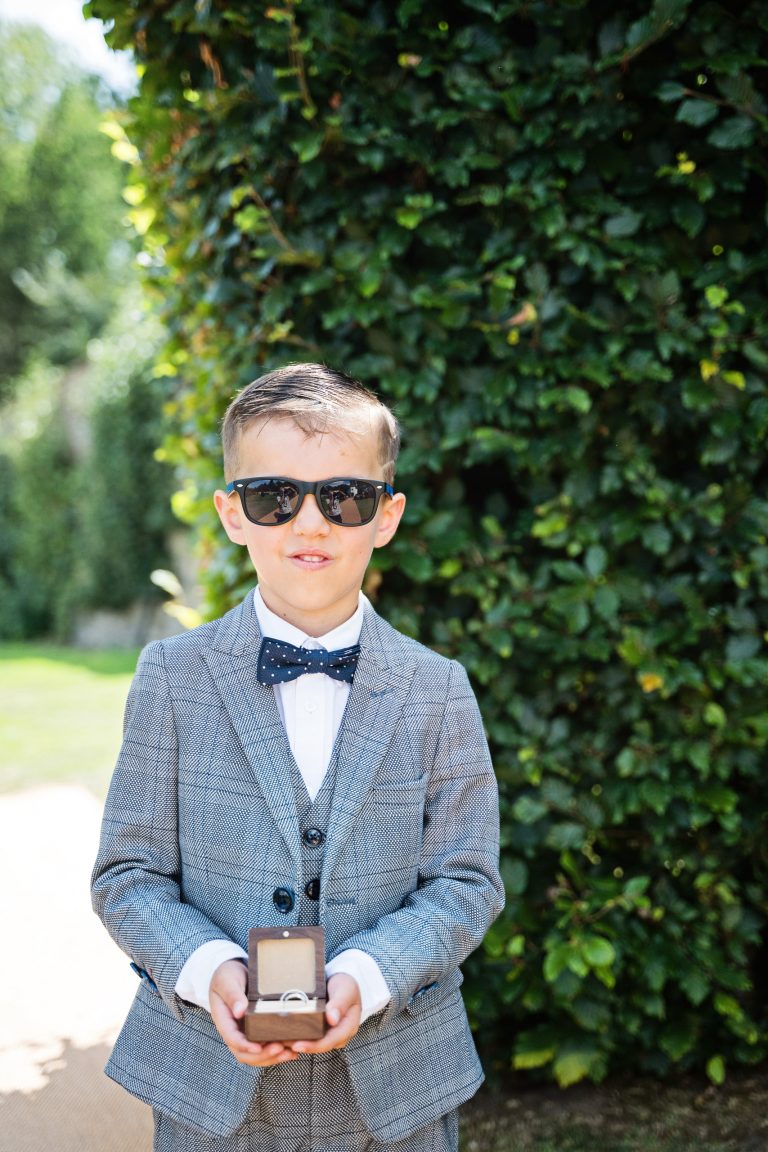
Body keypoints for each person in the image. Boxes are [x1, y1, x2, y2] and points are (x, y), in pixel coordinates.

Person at [91, 362, 504, 1152]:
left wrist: (371, 976)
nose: (308, 523)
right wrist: (207, 968)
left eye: (343, 497)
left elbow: (467, 880)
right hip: (213, 1093)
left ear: (386, 516)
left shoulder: (438, 689)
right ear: (231, 514)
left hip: (395, 1093)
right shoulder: (170, 680)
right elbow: (127, 875)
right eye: (273, 497)